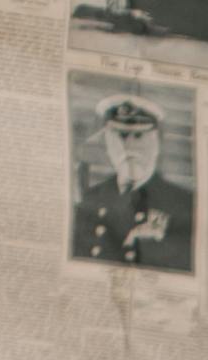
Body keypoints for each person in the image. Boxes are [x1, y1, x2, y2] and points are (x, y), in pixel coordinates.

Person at [69, 94, 194, 271]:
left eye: (138, 136)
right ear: (107, 142)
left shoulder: (183, 204)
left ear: (156, 143)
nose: (129, 148)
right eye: (120, 136)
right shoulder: (91, 199)